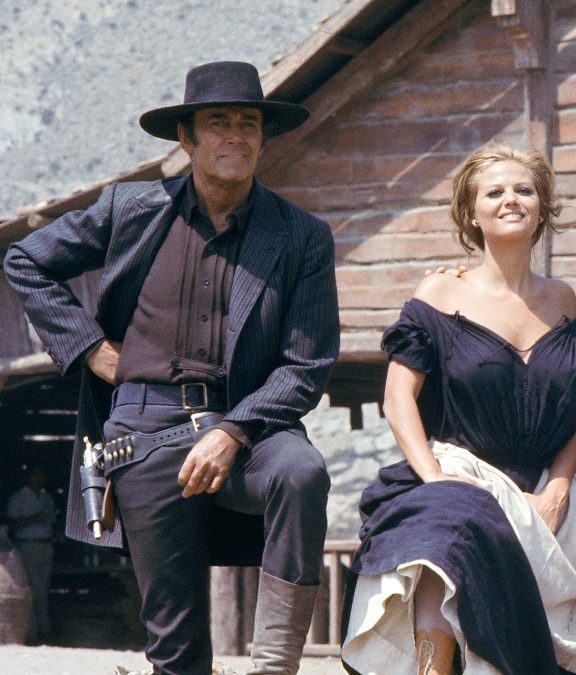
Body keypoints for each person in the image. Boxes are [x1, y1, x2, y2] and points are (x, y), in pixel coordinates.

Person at [4, 61, 338, 675]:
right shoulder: (130, 209)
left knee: (302, 471)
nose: (234, 134)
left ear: (263, 136)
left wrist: (233, 431)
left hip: (250, 426)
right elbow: (25, 261)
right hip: (142, 428)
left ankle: (274, 668)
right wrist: (88, 348)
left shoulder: (300, 236)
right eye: (217, 122)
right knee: (176, 648)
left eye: (248, 122)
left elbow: (306, 364)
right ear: (186, 138)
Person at [340, 144, 576, 675]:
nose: (512, 200)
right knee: (445, 521)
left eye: (524, 190)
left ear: (543, 206)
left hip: (543, 488)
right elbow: (398, 399)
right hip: (461, 469)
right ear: (471, 213)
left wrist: (557, 488)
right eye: (496, 192)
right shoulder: (439, 291)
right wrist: (434, 477)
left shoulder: (563, 300)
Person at [5, 464, 57, 644]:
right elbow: (10, 525)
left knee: (43, 589)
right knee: (34, 590)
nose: (40, 479)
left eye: (42, 476)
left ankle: (43, 631)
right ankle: (35, 633)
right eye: (36, 476)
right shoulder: (18, 498)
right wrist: (33, 518)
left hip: (46, 546)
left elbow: (52, 522)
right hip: (27, 547)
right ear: (28, 477)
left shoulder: (47, 498)